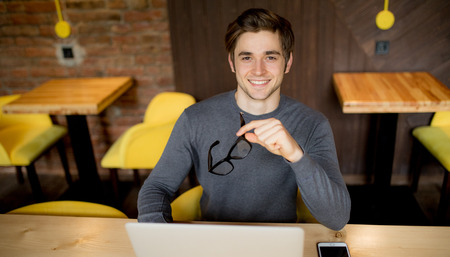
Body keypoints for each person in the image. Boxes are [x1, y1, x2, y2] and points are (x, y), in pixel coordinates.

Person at [138, 8, 351, 231]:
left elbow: (337, 218)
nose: (258, 70)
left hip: (279, 243)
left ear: (287, 63)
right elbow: (157, 186)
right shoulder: (195, 118)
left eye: (270, 57)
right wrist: (158, 238)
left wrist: (295, 154)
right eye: (247, 57)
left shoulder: (313, 124)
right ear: (232, 63)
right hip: (213, 240)